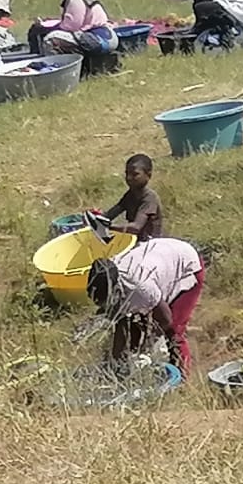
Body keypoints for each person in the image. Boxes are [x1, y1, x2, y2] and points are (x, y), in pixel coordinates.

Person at [86, 236, 204, 375]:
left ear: (115, 291)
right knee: (137, 327)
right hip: (161, 256)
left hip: (185, 264)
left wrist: (146, 348)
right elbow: (122, 322)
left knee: (174, 333)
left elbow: (166, 320)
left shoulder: (139, 287)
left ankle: (182, 380)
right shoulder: (109, 277)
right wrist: (115, 362)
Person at [30, 0, 117, 61]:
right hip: (108, 36)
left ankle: (55, 66)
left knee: (51, 38)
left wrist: (48, 28)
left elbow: (72, 26)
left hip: (97, 39)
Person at [102, 153, 164, 242]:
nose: (129, 178)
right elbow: (110, 215)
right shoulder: (130, 195)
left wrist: (108, 226)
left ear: (148, 175)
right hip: (135, 241)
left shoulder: (149, 198)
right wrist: (95, 218)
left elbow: (136, 227)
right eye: (127, 173)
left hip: (150, 244)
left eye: (135, 174)